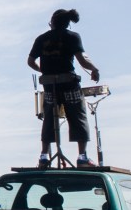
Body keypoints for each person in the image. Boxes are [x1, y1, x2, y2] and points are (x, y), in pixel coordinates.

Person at [27, 9, 100, 168]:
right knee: (78, 116)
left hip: (49, 85)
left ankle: (44, 156)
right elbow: (82, 60)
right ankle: (82, 157)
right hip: (69, 83)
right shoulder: (72, 37)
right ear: (68, 23)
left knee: (48, 118)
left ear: (52, 22)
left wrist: (44, 71)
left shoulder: (42, 38)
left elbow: (30, 61)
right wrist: (94, 69)